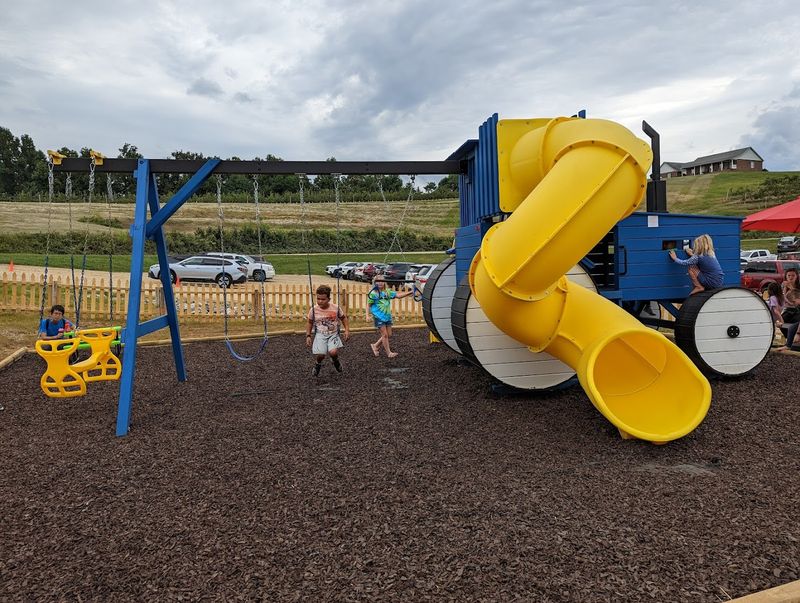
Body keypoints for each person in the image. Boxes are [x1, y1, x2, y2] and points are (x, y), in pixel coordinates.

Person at [305, 284, 349, 377]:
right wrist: (308, 335)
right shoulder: (314, 310)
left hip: (333, 333)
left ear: (329, 299)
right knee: (321, 354)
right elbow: (309, 322)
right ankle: (317, 364)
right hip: (320, 334)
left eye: (323, 299)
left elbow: (344, 318)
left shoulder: (335, 308)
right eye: (318, 299)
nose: (320, 301)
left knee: (333, 352)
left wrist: (346, 330)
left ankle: (335, 361)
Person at [368, 276, 414, 358]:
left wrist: (410, 292)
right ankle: (389, 353)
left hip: (387, 316)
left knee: (388, 334)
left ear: (384, 282)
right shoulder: (373, 293)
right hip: (378, 316)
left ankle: (375, 345)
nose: (380, 283)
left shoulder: (387, 292)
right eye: (378, 281)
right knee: (385, 335)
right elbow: (369, 305)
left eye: (382, 281)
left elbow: (398, 296)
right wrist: (367, 315)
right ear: (375, 283)